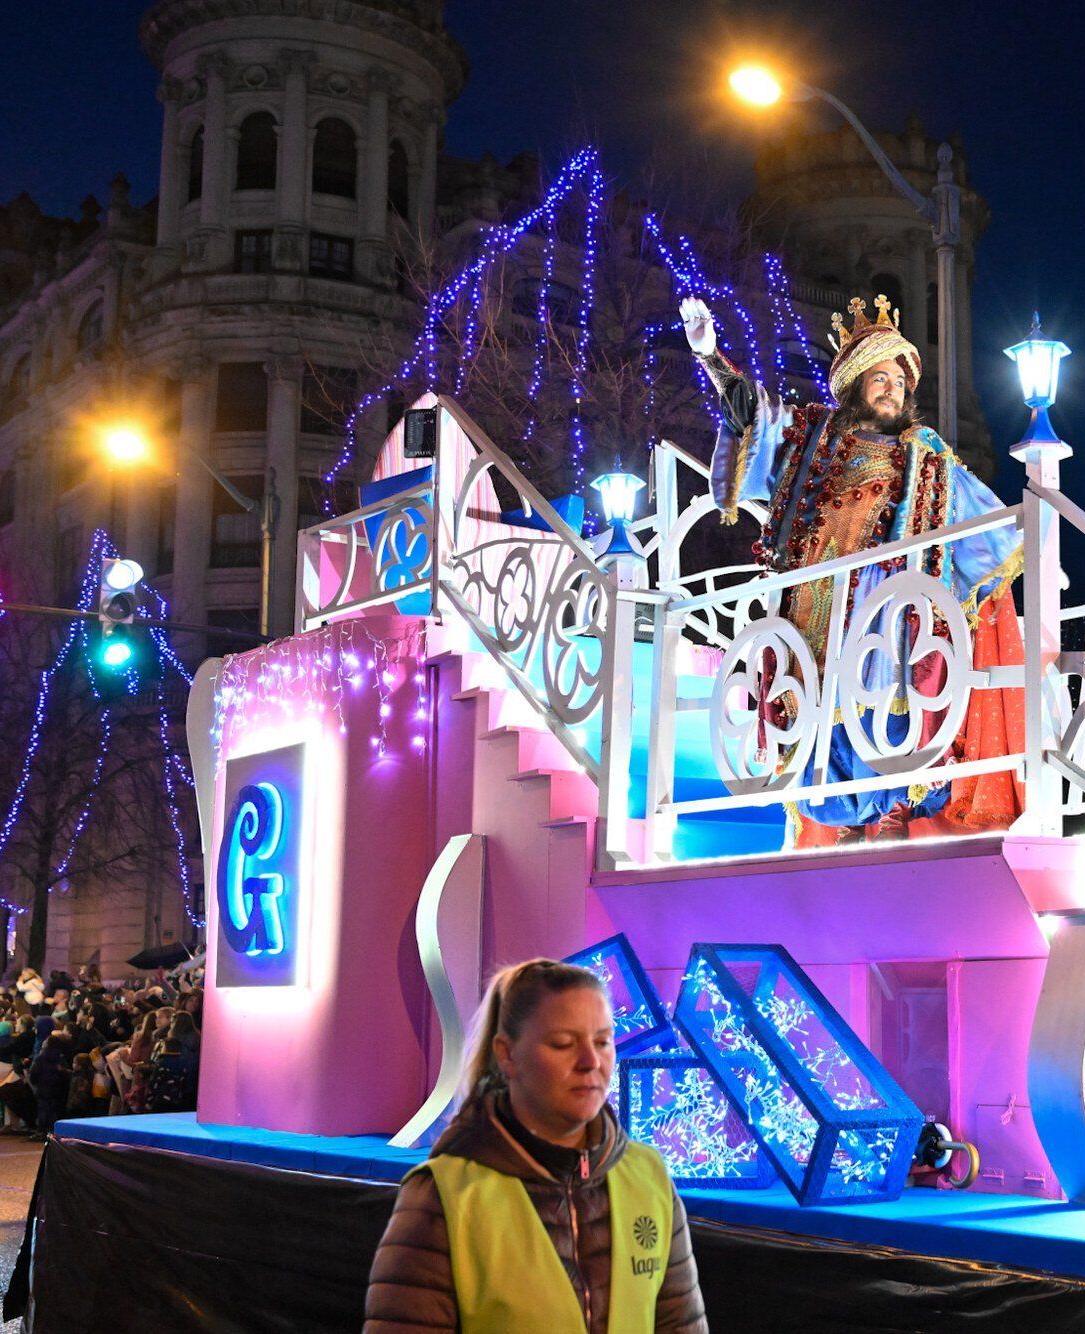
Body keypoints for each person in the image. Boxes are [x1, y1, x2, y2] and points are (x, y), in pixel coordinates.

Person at [680, 293, 1024, 846]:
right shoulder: (811, 442)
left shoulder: (927, 457)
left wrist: (1041, 551)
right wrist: (713, 358)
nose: (893, 388)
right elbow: (754, 416)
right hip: (813, 622)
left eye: (900, 381)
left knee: (888, 723)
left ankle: (888, 823)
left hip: (889, 628)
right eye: (880, 377)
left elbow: (994, 529)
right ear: (856, 385)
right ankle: (838, 836)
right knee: (819, 731)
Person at [364, 959, 707, 1333]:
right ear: (507, 1054)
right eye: (563, 1044)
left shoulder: (648, 1175)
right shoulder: (443, 1195)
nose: (590, 1061)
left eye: (603, 1041)